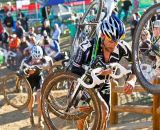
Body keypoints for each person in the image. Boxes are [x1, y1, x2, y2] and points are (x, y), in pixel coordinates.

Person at [71, 13, 137, 130]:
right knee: (82, 118)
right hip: (85, 84)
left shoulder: (121, 46)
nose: (114, 45)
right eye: (111, 41)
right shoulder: (87, 47)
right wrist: (98, 72)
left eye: (117, 40)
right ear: (102, 36)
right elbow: (74, 72)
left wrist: (131, 80)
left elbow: (136, 65)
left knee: (104, 113)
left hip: (103, 84)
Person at [19, 45, 51, 128]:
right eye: (34, 58)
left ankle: (40, 119)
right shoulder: (25, 61)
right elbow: (20, 72)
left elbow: (49, 64)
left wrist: (47, 69)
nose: (37, 60)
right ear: (31, 55)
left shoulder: (44, 60)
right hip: (29, 80)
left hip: (38, 79)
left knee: (39, 97)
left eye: (38, 58)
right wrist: (26, 71)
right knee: (31, 99)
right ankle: (31, 113)